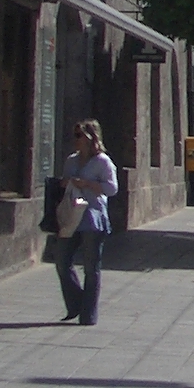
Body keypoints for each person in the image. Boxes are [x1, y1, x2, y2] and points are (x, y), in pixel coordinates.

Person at [57, 120, 118, 325]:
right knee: (62, 261)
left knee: (91, 268)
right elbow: (63, 183)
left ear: (90, 137)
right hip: (71, 217)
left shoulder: (102, 162)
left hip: (93, 217)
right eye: (74, 135)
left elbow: (112, 189)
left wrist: (88, 184)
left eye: (79, 135)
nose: (75, 139)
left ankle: (88, 314)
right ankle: (76, 303)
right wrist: (66, 182)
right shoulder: (71, 161)